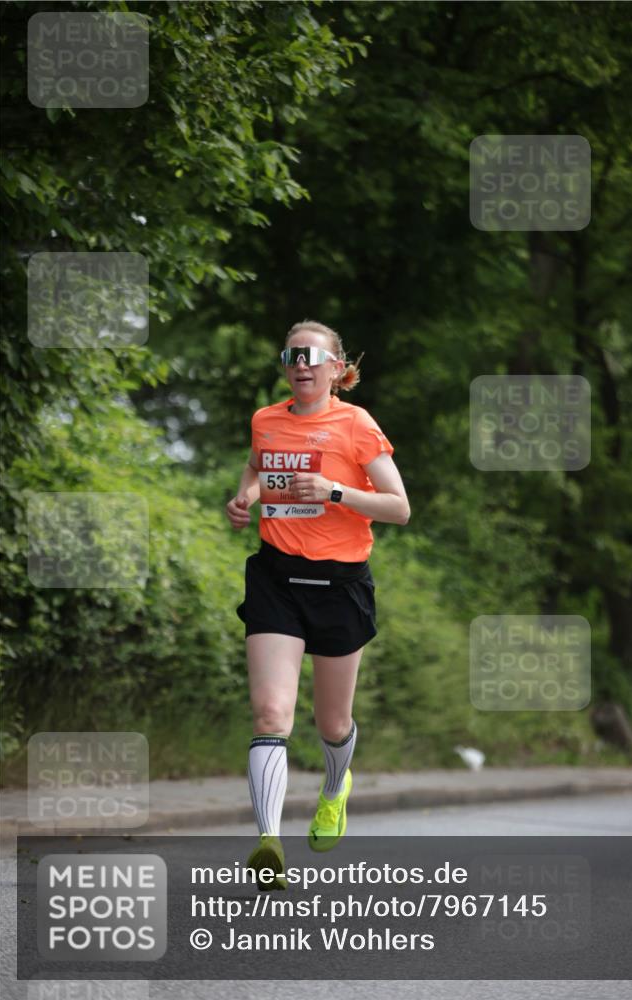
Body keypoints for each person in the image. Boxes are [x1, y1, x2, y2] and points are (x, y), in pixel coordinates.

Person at [226, 319, 410, 890]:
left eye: (311, 356)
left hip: (340, 586)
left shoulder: (355, 424)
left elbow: (398, 507)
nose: (300, 364)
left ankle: (335, 789)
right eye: (291, 355)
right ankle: (268, 840)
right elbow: (258, 468)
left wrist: (335, 492)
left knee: (331, 724)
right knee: (270, 716)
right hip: (276, 579)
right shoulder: (266, 420)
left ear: (336, 368)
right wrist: (245, 497)